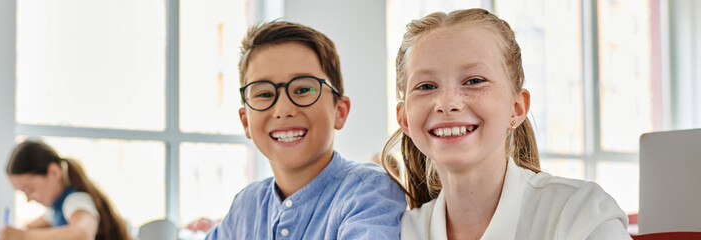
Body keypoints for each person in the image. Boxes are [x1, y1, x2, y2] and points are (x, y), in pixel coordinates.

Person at [381, 9, 631, 239]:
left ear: (517, 108)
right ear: (404, 118)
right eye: (426, 86)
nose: (447, 103)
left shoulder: (579, 215)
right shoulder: (401, 232)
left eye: (474, 81)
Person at [205, 21, 407, 239]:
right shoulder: (245, 206)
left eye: (303, 89)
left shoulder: (369, 190)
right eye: (264, 94)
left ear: (339, 111)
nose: (283, 110)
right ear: (245, 122)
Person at [0, 140, 130, 240]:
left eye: (29, 189)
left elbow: (83, 234)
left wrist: (24, 236)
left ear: (54, 172)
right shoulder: (55, 210)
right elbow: (29, 227)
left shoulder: (75, 201)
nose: (28, 198)